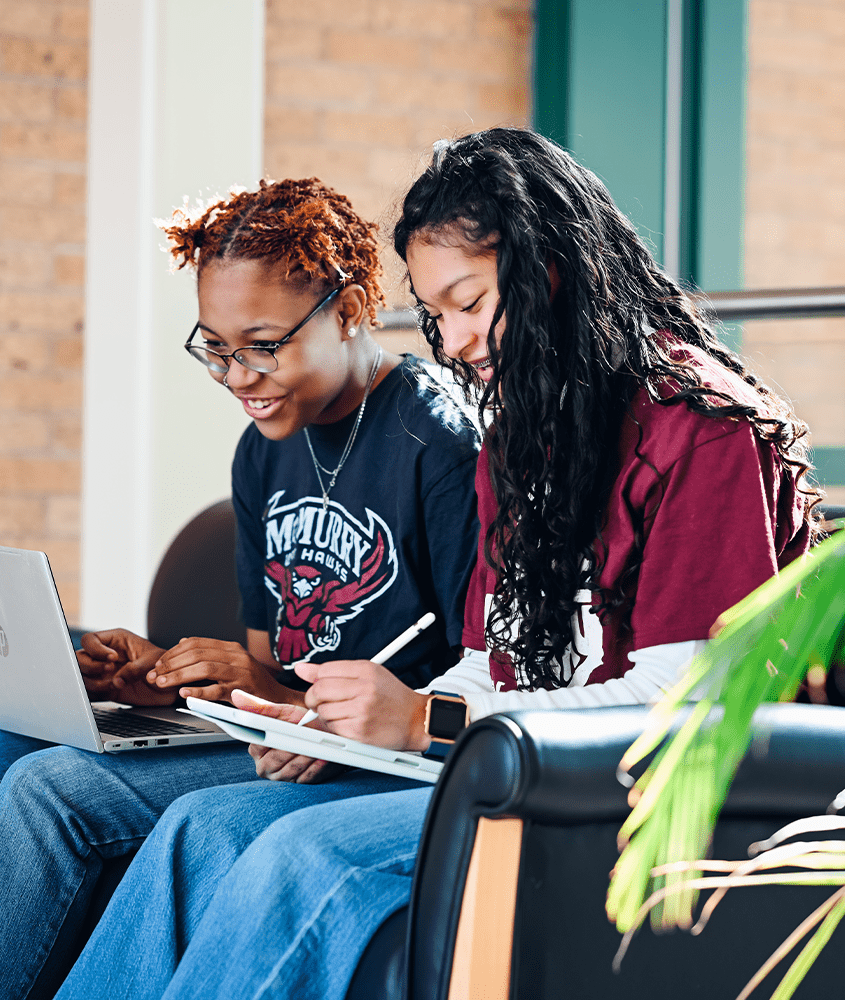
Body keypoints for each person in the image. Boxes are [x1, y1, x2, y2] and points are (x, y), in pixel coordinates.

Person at [55, 127, 822, 1000]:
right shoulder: (525, 432)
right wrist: (342, 717)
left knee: (300, 852)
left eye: (470, 302)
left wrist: (429, 721)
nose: (451, 341)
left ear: (551, 268)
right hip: (506, 764)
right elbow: (491, 664)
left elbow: (687, 699)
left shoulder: (703, 428)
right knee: (205, 827)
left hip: (631, 795)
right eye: (436, 311)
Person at [0, 178, 480, 1000]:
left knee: (60, 792)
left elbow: (478, 679)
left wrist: (300, 703)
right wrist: (163, 680)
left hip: (385, 757)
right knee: (23, 761)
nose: (237, 376)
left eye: (263, 345)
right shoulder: (264, 448)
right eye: (216, 347)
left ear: (351, 304)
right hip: (283, 733)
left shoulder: (437, 443)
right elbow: (271, 670)